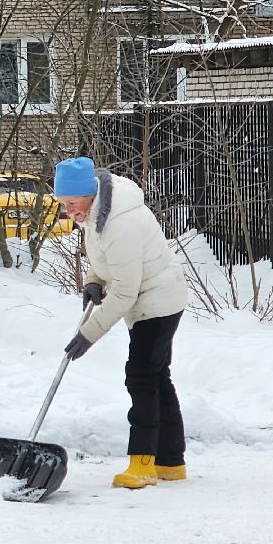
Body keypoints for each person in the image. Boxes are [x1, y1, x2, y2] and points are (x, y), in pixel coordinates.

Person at [53, 156, 189, 490]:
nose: (69, 211)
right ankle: (170, 462)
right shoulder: (97, 211)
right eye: (63, 204)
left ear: (88, 194)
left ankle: (142, 465)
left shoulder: (119, 223)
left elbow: (125, 293)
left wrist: (89, 334)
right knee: (157, 376)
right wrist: (93, 280)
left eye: (71, 203)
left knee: (141, 377)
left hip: (156, 302)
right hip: (152, 297)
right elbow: (106, 260)